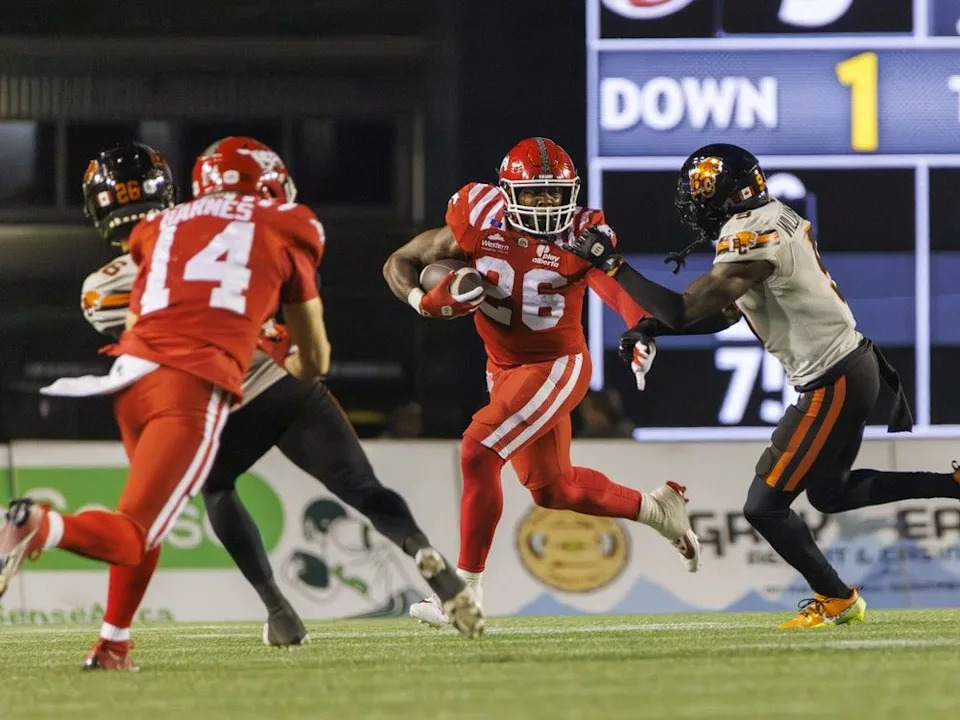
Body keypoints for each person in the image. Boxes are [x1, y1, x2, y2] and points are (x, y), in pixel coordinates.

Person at [0, 138, 481, 671]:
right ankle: (421, 552)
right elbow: (307, 345)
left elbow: (131, 311)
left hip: (153, 387)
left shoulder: (145, 245)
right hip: (242, 379)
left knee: (190, 499)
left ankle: (270, 611)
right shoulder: (277, 227)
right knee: (358, 487)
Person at [566, 142, 960, 629]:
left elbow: (689, 308)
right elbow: (725, 313)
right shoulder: (763, 219)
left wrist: (613, 267)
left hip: (833, 377)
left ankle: (837, 598)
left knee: (764, 507)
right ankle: (952, 484)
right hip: (847, 368)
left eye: (703, 193)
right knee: (829, 496)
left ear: (729, 193)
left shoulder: (754, 232)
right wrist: (650, 328)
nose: (696, 205)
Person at [383, 136, 700, 628]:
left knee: (477, 450)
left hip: (557, 363)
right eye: (534, 194)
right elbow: (400, 262)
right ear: (508, 191)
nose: (547, 205)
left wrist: (639, 327)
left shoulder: (583, 232)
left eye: (555, 194)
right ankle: (659, 510)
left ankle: (463, 592)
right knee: (555, 490)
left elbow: (611, 285)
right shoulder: (477, 215)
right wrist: (420, 302)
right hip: (504, 368)